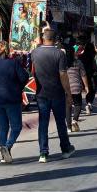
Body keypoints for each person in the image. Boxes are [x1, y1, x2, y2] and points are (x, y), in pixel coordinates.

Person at [30, 29, 76, 163]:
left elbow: (32, 72)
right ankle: (65, 149)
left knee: (43, 123)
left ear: (43, 38)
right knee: (60, 122)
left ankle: (43, 153)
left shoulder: (34, 53)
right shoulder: (59, 54)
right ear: (55, 40)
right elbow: (63, 74)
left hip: (41, 93)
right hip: (57, 93)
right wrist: (68, 92)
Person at [0, 41, 29, 163]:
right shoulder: (13, 63)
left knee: (2, 127)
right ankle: (7, 147)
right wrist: (18, 88)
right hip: (12, 99)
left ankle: (3, 152)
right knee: (16, 127)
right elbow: (25, 77)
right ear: (8, 50)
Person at [65, 46, 89, 133]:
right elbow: (83, 75)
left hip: (66, 87)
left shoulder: (63, 63)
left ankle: (68, 127)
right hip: (76, 87)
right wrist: (86, 86)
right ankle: (74, 120)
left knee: (68, 107)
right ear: (73, 53)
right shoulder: (78, 62)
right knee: (78, 104)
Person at [77, 41, 97, 116]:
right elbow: (95, 67)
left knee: (79, 91)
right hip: (90, 76)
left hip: (80, 76)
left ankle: (78, 105)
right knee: (91, 90)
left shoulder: (80, 56)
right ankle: (88, 104)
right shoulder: (92, 57)